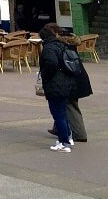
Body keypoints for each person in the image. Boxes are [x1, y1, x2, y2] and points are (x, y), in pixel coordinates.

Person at [38, 22, 78, 152]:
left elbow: (51, 63)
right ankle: (68, 138)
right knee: (62, 113)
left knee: (58, 114)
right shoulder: (62, 45)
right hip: (66, 83)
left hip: (55, 85)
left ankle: (64, 142)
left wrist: (45, 75)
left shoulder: (49, 48)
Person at [49, 31, 92, 142]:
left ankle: (80, 134)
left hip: (72, 82)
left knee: (71, 106)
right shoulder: (71, 47)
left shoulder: (64, 48)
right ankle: (58, 128)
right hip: (78, 80)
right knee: (63, 104)